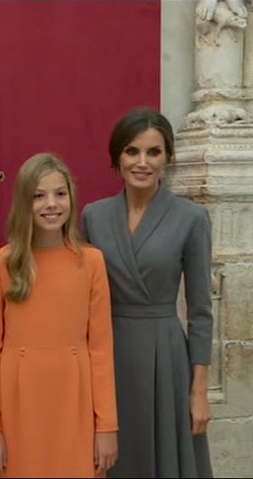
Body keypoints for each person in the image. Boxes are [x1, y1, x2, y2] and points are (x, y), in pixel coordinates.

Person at [81, 108, 214, 478]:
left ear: (167, 158)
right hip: (108, 354)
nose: (142, 162)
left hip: (166, 358)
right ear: (117, 157)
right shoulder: (93, 216)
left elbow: (202, 311)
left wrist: (199, 392)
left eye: (153, 152)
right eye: (132, 151)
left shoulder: (192, 218)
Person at [0, 153, 118, 478]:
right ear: (24, 203)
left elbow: (101, 351)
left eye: (59, 193)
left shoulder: (91, 262)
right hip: (18, 407)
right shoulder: (3, 263)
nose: (51, 204)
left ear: (71, 197)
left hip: (74, 403)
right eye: (39, 196)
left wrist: (107, 426)